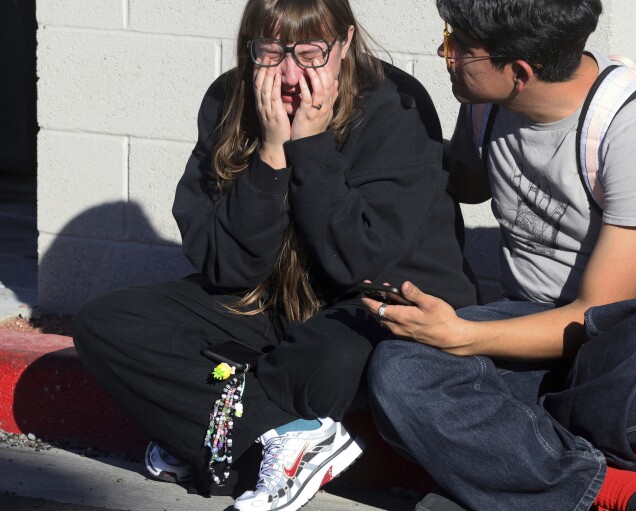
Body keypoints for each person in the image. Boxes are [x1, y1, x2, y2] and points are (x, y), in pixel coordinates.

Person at [72, 0, 477, 510]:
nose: (290, 73)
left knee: (326, 359)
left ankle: (208, 438)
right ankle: (253, 441)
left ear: (346, 44)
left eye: (310, 53)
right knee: (107, 324)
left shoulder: (394, 104)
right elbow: (226, 267)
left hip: (376, 307)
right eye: (270, 53)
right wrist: (269, 153)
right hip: (271, 305)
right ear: (250, 47)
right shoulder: (228, 99)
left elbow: (359, 261)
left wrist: (310, 146)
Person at [362, 1, 636, 510]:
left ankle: (504, 474)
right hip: (530, 324)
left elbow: (591, 314)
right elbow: (463, 183)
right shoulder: (485, 104)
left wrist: (463, 336)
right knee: (399, 368)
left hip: (627, 344)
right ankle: (608, 490)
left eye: (459, 48)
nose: (444, 55)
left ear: (520, 73)